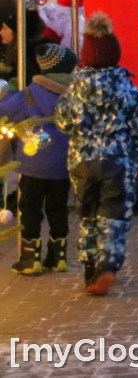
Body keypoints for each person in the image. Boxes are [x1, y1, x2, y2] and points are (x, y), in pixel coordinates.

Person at [55, 13, 138, 295]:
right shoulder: (127, 88)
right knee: (112, 214)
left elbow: (62, 122)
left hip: (82, 162)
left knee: (87, 212)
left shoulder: (74, 89)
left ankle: (90, 269)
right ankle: (108, 264)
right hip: (117, 161)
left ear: (86, 56)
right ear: (115, 54)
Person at [4, 44, 78, 275]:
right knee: (58, 209)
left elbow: (4, 111)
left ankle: (30, 257)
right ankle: (58, 257)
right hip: (64, 165)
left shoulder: (28, 95)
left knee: (30, 209)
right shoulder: (77, 93)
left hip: (33, 164)